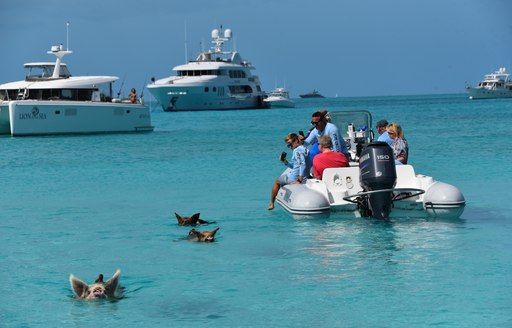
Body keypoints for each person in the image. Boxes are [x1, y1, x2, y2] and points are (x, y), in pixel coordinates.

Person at [268, 133, 311, 210]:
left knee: (277, 180)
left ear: (296, 141)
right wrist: (285, 162)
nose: (290, 147)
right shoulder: (305, 149)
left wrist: (299, 180)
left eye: (290, 145)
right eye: (288, 146)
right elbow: (296, 166)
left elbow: (302, 164)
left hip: (294, 178)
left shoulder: (297, 151)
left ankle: (271, 203)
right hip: (305, 176)